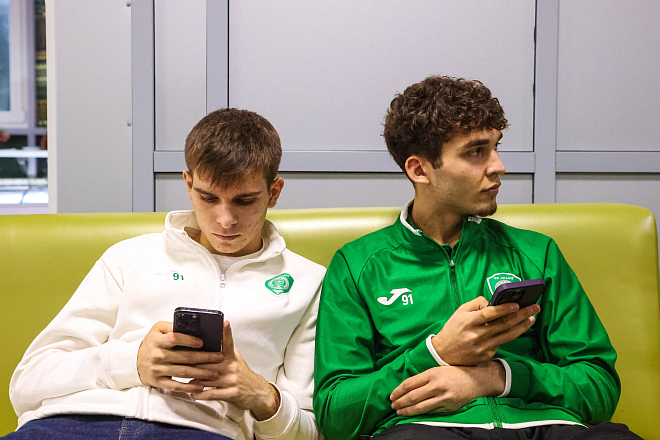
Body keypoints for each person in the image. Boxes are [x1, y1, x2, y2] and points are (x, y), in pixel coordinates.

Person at [313, 76, 641, 440]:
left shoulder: (536, 252)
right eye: (476, 152)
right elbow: (336, 416)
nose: (498, 165)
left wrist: (497, 377)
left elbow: (599, 388)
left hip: (544, 427)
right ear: (419, 170)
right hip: (427, 431)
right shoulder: (357, 265)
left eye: (496, 147)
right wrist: (436, 353)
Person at [8, 108, 325, 440]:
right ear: (188, 185)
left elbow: (312, 431)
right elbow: (27, 383)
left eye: (244, 201)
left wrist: (262, 396)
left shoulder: (308, 283)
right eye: (208, 198)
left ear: (274, 192)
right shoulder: (129, 257)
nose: (225, 220)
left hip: (198, 431)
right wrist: (131, 363)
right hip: (69, 423)